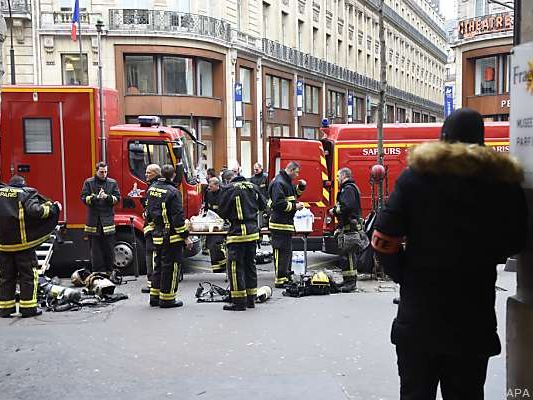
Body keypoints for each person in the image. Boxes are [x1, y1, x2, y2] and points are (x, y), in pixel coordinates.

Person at [371, 108, 528, 400]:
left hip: (419, 320)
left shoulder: (414, 178)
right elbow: (517, 241)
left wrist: (404, 274)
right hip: (472, 320)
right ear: (481, 142)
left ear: (443, 138)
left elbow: (382, 239)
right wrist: (485, 255)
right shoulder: (504, 184)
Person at [0, 176, 61, 318]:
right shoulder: (26, 193)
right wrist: (52, 208)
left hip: (3, 246)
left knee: (5, 277)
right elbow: (36, 211)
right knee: (28, 276)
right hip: (23, 245)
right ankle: (28, 308)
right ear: (22, 185)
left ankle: (5, 309)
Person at [218, 164, 266, 311]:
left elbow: (222, 211)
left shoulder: (229, 189)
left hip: (237, 233)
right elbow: (263, 205)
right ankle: (251, 299)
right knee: (250, 265)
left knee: (235, 266)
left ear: (227, 180)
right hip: (252, 231)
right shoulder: (253, 186)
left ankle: (238, 301)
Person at [145, 164, 193, 308]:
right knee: (171, 268)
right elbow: (177, 218)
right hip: (171, 237)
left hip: (158, 234)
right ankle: (167, 299)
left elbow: (148, 212)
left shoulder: (152, 189)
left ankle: (155, 296)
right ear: (173, 175)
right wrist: (186, 237)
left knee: (158, 265)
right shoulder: (173, 192)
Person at [268, 161, 306, 288]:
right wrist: (296, 206)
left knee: (287, 253)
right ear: (291, 170)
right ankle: (280, 279)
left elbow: (292, 195)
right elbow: (279, 204)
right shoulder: (279, 182)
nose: (297, 174)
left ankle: (286, 276)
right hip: (279, 224)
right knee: (280, 252)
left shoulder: (285, 182)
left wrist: (300, 187)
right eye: (296, 172)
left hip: (286, 224)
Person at [81, 162, 120, 273]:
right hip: (93, 223)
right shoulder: (89, 183)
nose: (104, 174)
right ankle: (97, 274)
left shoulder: (112, 183)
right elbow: (83, 198)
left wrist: (107, 197)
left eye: (105, 172)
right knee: (95, 252)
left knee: (109, 250)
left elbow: (117, 198)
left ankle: (110, 272)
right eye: (101, 172)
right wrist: (95, 198)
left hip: (107, 222)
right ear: (96, 171)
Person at [329, 167, 362, 293]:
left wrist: (334, 211)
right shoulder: (349, 189)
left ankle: (350, 283)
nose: (337, 179)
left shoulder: (348, 189)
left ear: (343, 176)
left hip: (350, 228)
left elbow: (346, 207)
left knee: (349, 255)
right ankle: (347, 280)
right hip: (347, 227)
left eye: (338, 176)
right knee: (346, 255)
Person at [141, 164, 161, 294]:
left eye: (149, 173)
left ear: (156, 173)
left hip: (152, 228)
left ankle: (152, 283)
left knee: (151, 254)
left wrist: (146, 214)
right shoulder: (153, 186)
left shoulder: (153, 188)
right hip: (153, 226)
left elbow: (153, 209)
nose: (146, 175)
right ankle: (153, 282)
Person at [204, 177, 226, 273]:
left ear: (217, 185)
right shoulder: (208, 193)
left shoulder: (223, 194)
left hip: (221, 222)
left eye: (211, 186)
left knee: (217, 243)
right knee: (210, 244)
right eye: (209, 185)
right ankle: (216, 267)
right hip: (211, 222)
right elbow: (206, 206)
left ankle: (222, 264)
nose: (209, 187)